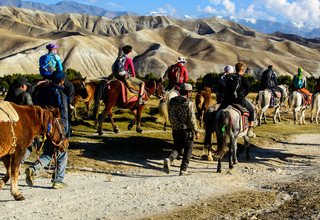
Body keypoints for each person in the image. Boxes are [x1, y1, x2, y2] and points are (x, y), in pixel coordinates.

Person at [25, 70, 69, 189]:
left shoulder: (42, 91)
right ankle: (58, 180)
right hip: (56, 128)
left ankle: (34, 169)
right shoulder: (60, 94)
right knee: (62, 153)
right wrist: (65, 133)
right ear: (61, 81)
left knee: (49, 152)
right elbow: (64, 116)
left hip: (43, 126)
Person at [163, 83, 200, 176]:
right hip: (186, 130)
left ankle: (170, 159)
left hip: (175, 129)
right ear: (188, 92)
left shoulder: (172, 101)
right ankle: (183, 169)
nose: (191, 94)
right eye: (191, 92)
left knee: (177, 147)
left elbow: (170, 115)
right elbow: (191, 119)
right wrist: (196, 131)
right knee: (188, 148)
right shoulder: (189, 103)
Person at [4, 77, 37, 162]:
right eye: (26, 85)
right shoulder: (26, 95)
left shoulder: (9, 95)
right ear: (23, 86)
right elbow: (32, 113)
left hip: (10, 125)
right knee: (28, 147)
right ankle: (18, 163)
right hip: (23, 127)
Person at [220, 62, 256, 138]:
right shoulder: (244, 79)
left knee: (218, 111)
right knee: (252, 110)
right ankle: (250, 129)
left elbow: (223, 88)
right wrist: (242, 96)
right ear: (242, 70)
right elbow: (248, 89)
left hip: (227, 100)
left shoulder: (229, 77)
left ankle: (212, 128)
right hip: (239, 100)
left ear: (235, 69)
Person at [39, 43, 75, 109]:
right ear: (53, 49)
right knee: (70, 86)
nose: (56, 50)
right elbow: (60, 69)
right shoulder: (56, 57)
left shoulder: (42, 57)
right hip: (53, 77)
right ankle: (68, 103)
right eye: (56, 49)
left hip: (44, 77)